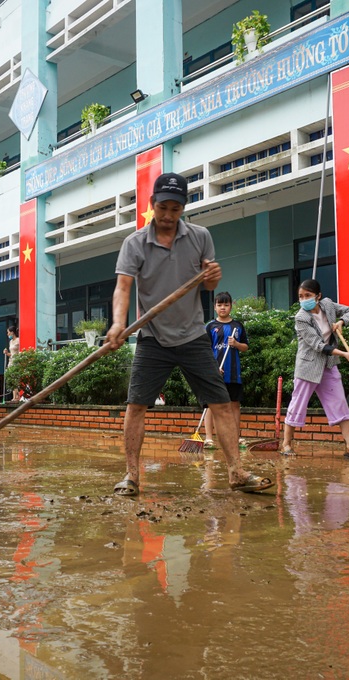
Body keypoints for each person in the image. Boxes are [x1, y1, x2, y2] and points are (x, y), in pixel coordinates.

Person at [105, 172, 272, 496]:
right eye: (163, 207)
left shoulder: (199, 237)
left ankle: (236, 472)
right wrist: (117, 323)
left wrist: (212, 276)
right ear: (152, 205)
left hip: (193, 335)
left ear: (183, 207)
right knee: (136, 406)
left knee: (221, 404)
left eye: (175, 209)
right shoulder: (135, 244)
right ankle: (131, 476)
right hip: (152, 337)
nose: (168, 216)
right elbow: (123, 287)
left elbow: (208, 285)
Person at [278, 279, 349, 458]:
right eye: (301, 296)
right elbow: (318, 345)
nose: (304, 299)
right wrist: (344, 354)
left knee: (340, 402)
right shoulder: (301, 318)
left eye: (308, 295)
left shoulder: (328, 305)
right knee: (297, 404)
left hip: (328, 366)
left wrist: (341, 323)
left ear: (318, 296)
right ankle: (286, 444)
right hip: (308, 366)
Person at [202, 292, 249, 449]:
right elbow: (205, 350)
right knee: (211, 405)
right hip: (215, 374)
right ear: (215, 307)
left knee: (234, 405)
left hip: (233, 374)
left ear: (231, 306)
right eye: (219, 305)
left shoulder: (237, 326)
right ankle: (209, 438)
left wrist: (236, 343)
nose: (223, 308)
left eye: (226, 304)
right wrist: (212, 368)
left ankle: (236, 437)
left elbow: (245, 347)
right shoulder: (209, 326)